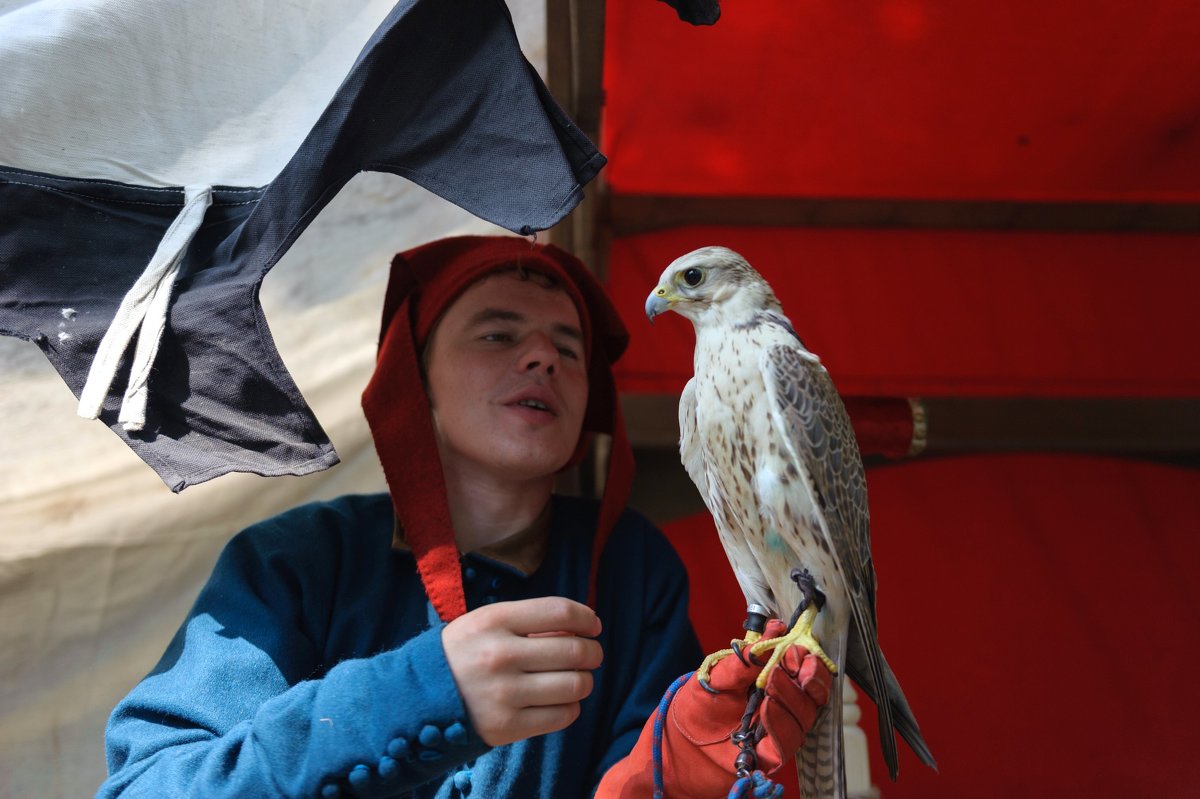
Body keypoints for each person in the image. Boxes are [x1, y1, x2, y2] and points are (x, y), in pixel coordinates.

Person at [97, 236, 830, 799]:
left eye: (568, 347)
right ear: (416, 382)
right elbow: (150, 787)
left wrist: (681, 770)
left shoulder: (632, 571)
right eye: (499, 334)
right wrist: (419, 692)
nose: (543, 356)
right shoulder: (295, 561)